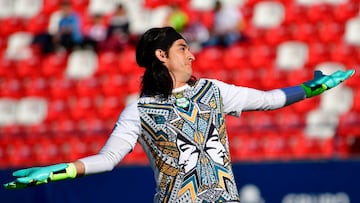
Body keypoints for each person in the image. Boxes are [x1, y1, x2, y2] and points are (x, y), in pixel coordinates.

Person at [4, 26, 354, 203]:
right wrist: (59, 171)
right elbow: (108, 159)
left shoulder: (213, 91)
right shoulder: (139, 110)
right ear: (161, 55)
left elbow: (269, 99)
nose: (192, 56)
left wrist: (313, 88)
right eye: (183, 48)